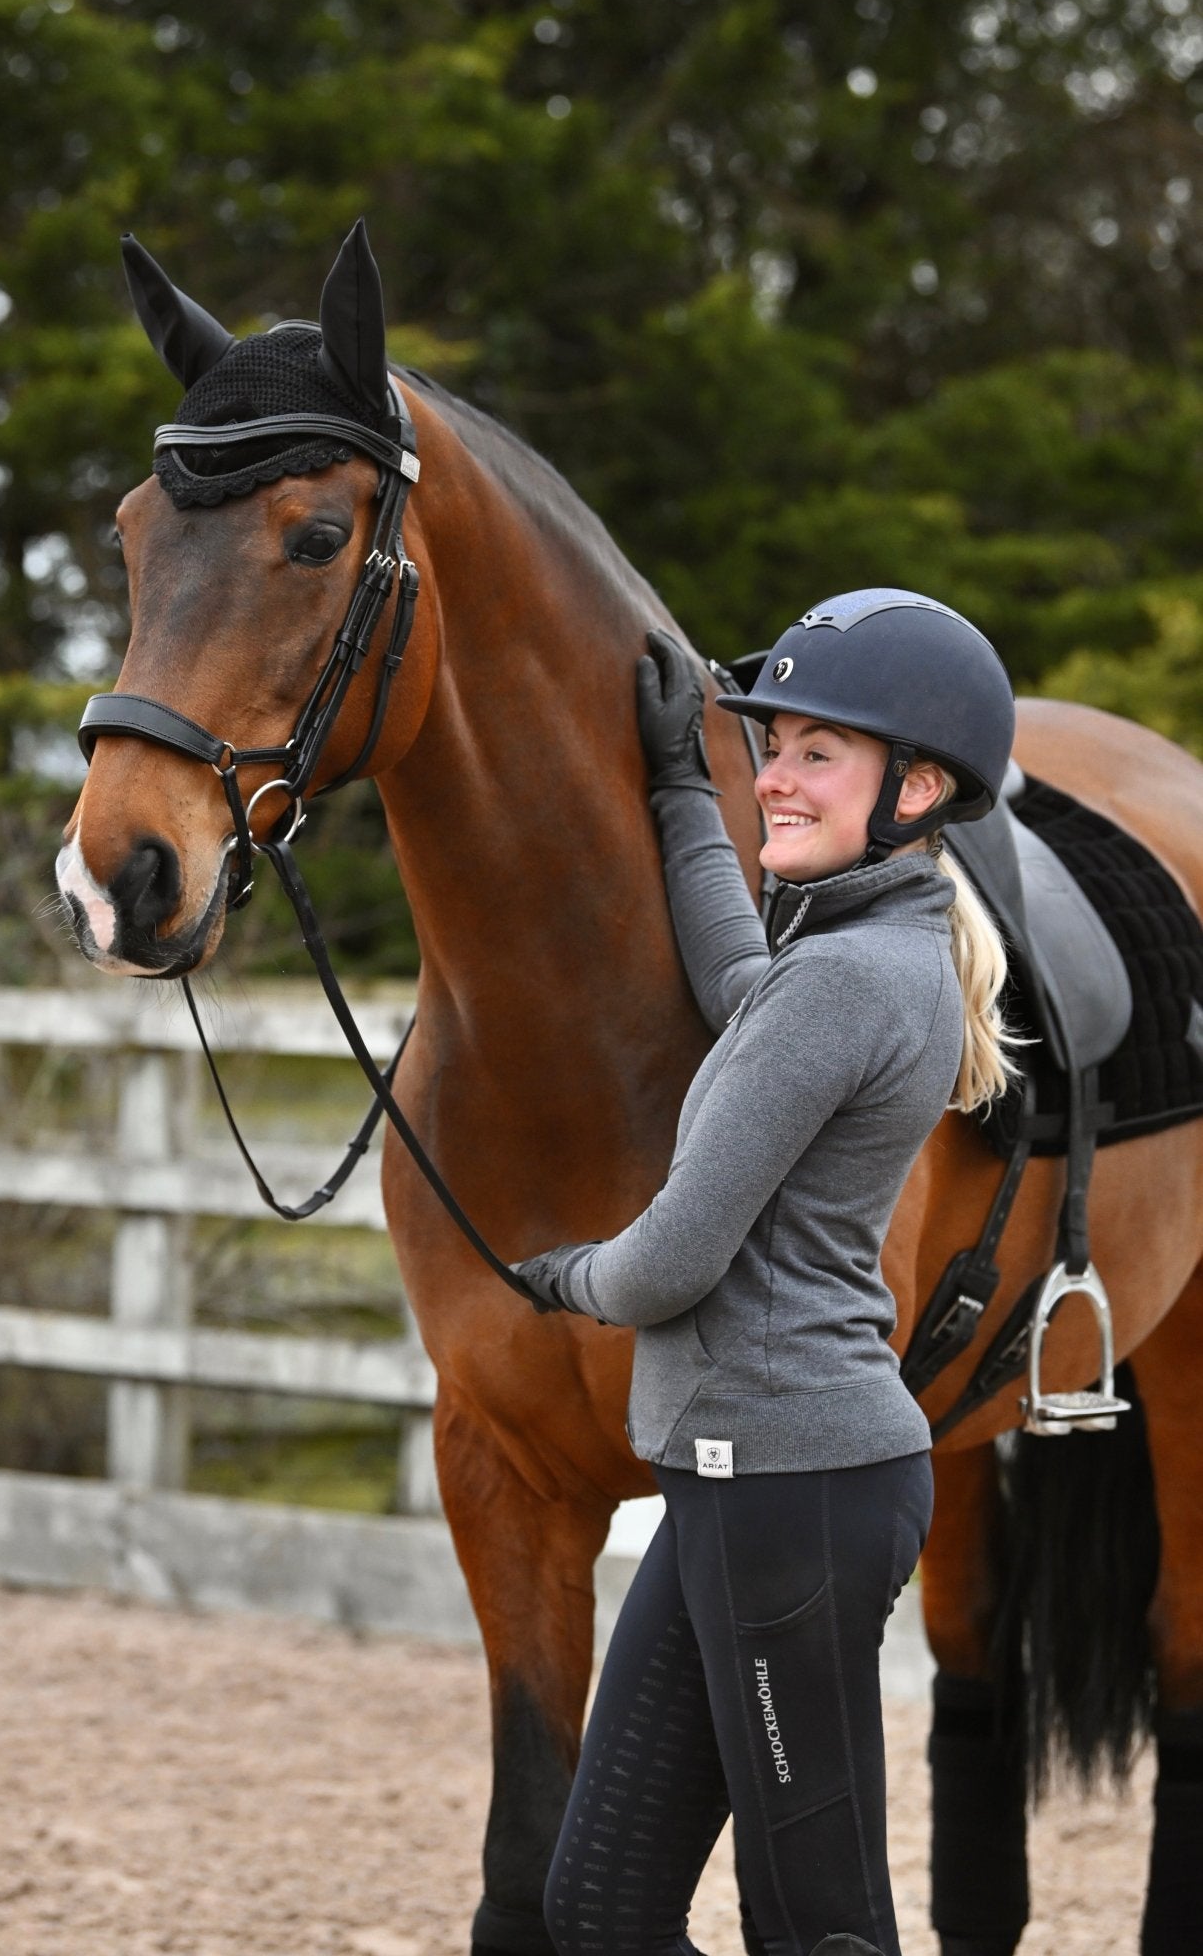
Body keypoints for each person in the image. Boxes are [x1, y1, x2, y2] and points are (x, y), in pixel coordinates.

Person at [508, 588, 1019, 1956]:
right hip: (750, 1483)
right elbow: (738, 966)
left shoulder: (848, 982)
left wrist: (569, 1277)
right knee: (601, 1909)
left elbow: (673, 1259)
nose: (775, 778)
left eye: (815, 754)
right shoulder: (853, 958)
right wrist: (687, 789)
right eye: (771, 744)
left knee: (819, 1930)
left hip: (793, 1486)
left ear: (916, 788)